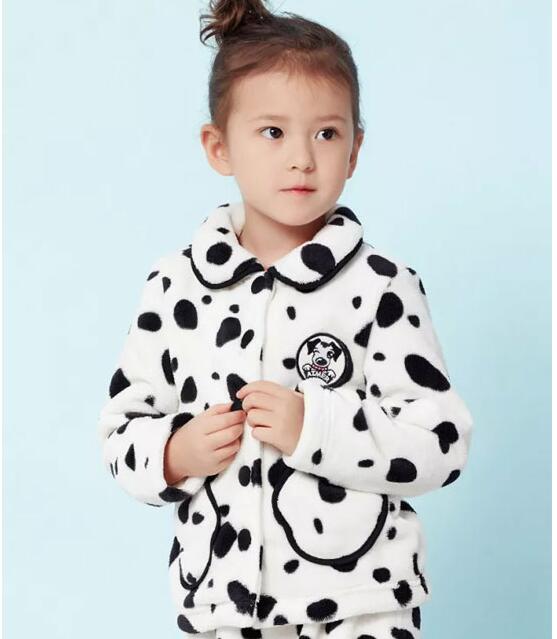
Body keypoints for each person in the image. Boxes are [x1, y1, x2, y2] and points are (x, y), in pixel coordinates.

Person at [97, 1, 475, 637]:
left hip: (361, 603)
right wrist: (173, 454)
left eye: (326, 134)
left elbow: (440, 441)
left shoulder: (382, 287)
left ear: (354, 151)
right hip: (221, 604)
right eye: (273, 132)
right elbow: (120, 431)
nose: (302, 157)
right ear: (219, 147)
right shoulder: (174, 286)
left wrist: (316, 427)